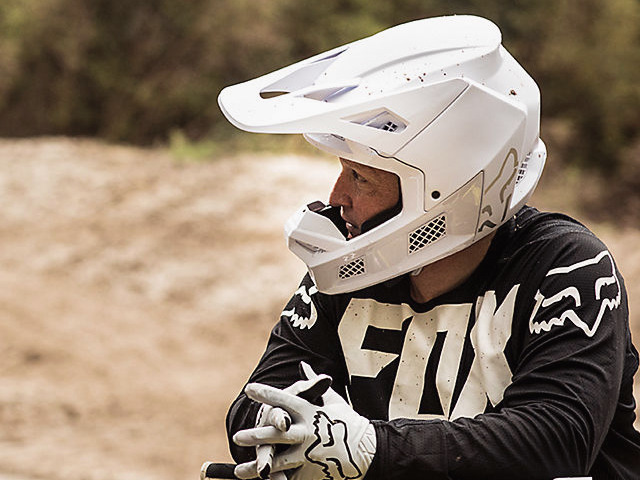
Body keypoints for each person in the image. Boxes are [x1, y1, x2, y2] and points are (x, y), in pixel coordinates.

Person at [217, 15, 640, 480]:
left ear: (443, 190)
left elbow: (558, 439)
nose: (338, 197)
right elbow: (258, 398)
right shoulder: (351, 268)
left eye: (361, 178)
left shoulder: (565, 268)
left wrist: (371, 449)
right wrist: (283, 429)